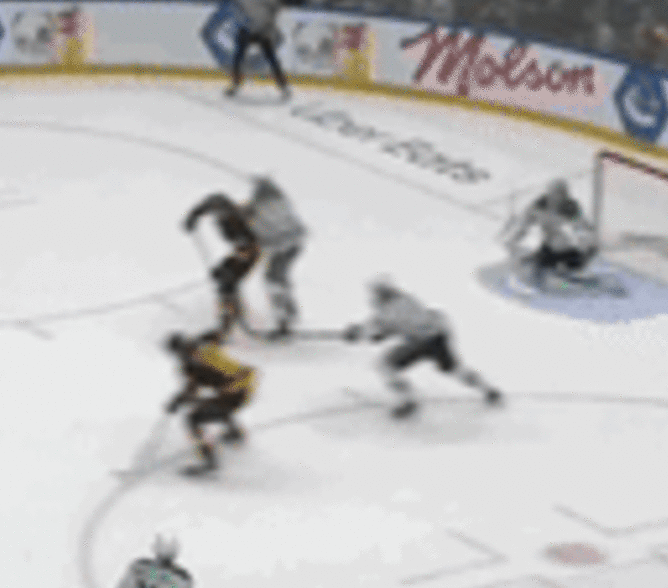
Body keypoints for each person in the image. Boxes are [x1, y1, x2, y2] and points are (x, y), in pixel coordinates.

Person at [344, 278, 502, 418]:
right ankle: (488, 390)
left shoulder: (391, 308)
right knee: (454, 369)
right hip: (438, 337)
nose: (375, 298)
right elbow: (384, 328)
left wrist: (357, 333)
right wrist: (366, 332)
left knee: (385, 365)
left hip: (422, 342)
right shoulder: (406, 299)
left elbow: (379, 329)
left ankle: (408, 400)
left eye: (377, 293)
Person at [164, 329, 257, 476]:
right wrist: (179, 399)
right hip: (225, 395)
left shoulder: (209, 355)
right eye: (179, 354)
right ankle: (234, 434)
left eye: (186, 350)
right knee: (213, 407)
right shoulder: (188, 366)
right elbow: (192, 387)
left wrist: (231, 388)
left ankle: (210, 462)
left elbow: (248, 373)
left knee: (194, 419)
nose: (184, 355)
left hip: (240, 393)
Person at [182, 190, 261, 337]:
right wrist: (193, 216)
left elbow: (248, 249)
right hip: (240, 251)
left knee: (228, 282)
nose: (217, 215)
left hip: (250, 253)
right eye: (216, 212)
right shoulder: (225, 211)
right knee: (223, 281)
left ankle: (229, 321)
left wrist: (228, 268)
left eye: (220, 212)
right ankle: (230, 316)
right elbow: (209, 203)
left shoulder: (240, 224)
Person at [503, 179, 598, 289]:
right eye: (557, 194)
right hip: (550, 247)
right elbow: (524, 224)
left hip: (566, 249)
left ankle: (567, 275)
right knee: (539, 263)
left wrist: (587, 245)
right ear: (550, 193)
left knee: (570, 255)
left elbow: (583, 227)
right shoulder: (539, 206)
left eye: (563, 194)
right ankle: (544, 275)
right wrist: (514, 239)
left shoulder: (570, 208)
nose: (559, 198)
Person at [243, 177, 307, 336]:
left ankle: (284, 318)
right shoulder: (282, 202)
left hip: (283, 245)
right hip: (295, 243)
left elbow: (261, 233)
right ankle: (288, 312)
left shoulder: (260, 208)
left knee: (273, 279)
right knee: (278, 277)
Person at [225, 0, 289, 100]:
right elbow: (235, 8)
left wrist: (269, 25)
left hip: (262, 31)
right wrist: (242, 22)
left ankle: (283, 86)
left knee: (271, 58)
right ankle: (235, 83)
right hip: (246, 30)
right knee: (238, 57)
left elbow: (276, 10)